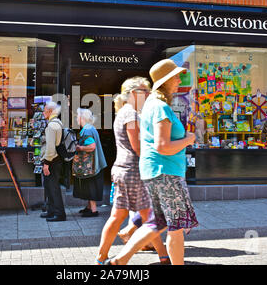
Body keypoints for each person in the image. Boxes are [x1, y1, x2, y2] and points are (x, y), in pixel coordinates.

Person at [104, 59, 199, 265]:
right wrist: (188, 139)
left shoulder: (151, 106)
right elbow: (163, 146)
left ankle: (120, 260)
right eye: (175, 76)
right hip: (166, 173)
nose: (178, 79)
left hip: (156, 172)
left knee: (156, 223)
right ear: (165, 81)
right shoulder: (160, 107)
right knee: (175, 226)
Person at [96, 76, 169, 265]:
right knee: (143, 216)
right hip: (133, 171)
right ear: (135, 93)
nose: (149, 93)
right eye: (146, 90)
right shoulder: (131, 114)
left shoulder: (125, 112)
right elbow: (137, 146)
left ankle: (101, 258)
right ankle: (163, 256)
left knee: (133, 216)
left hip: (125, 170)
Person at [73, 108, 107, 217]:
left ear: (82, 118)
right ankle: (89, 207)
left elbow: (92, 147)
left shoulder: (86, 130)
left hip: (91, 165)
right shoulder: (90, 128)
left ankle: (93, 210)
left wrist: (79, 147)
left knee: (90, 185)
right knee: (89, 185)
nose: (76, 118)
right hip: (95, 164)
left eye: (77, 116)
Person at [40, 101, 66, 222]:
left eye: (45, 110)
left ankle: (59, 214)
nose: (43, 112)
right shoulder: (58, 123)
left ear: (50, 111)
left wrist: (46, 164)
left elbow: (50, 148)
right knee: (50, 187)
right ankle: (51, 211)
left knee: (53, 187)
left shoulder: (51, 126)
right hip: (56, 160)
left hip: (52, 161)